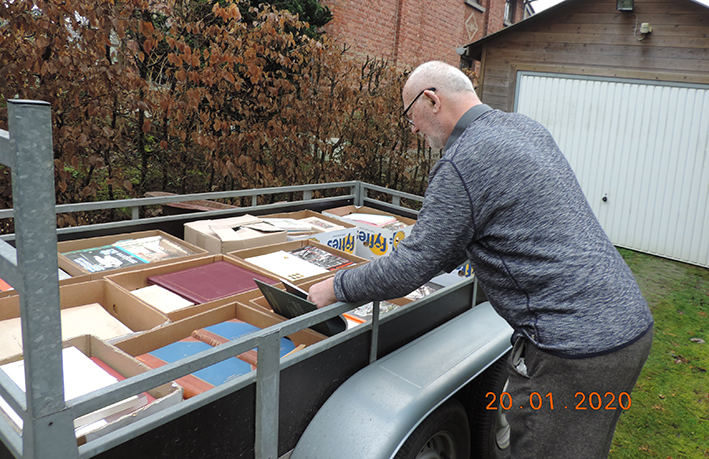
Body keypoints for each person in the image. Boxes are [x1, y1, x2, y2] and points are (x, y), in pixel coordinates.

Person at [307, 60, 653, 459]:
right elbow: (486, 227)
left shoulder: (463, 162)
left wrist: (335, 286)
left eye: (410, 115)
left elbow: (412, 266)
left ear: (431, 99)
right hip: (626, 327)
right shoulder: (525, 128)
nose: (413, 128)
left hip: (572, 352)